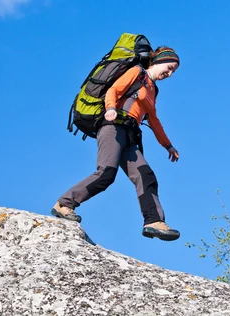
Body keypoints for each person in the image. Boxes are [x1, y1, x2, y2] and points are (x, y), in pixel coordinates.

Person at [51, 46, 181, 241]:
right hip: (112, 126)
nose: (169, 74)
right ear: (158, 61)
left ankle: (154, 221)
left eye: (173, 71)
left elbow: (153, 120)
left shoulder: (153, 89)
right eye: (169, 67)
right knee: (106, 172)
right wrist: (110, 108)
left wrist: (168, 145)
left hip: (129, 134)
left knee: (145, 175)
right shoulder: (137, 72)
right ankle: (64, 203)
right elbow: (114, 89)